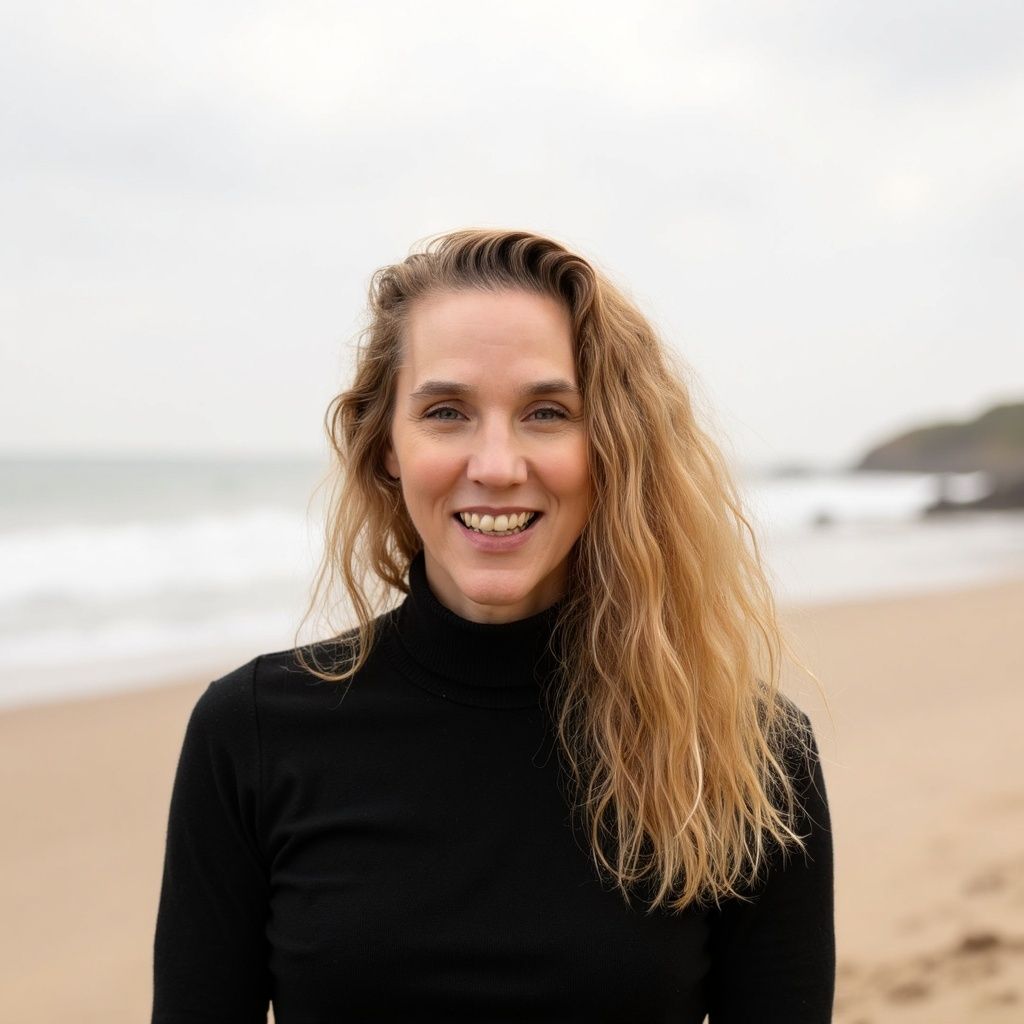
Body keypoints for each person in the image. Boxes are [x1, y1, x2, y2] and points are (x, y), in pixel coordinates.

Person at [152, 228, 834, 1022]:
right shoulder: (252, 735)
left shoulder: (744, 752)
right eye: (447, 412)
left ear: (614, 445)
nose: (498, 466)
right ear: (385, 446)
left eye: (547, 412)